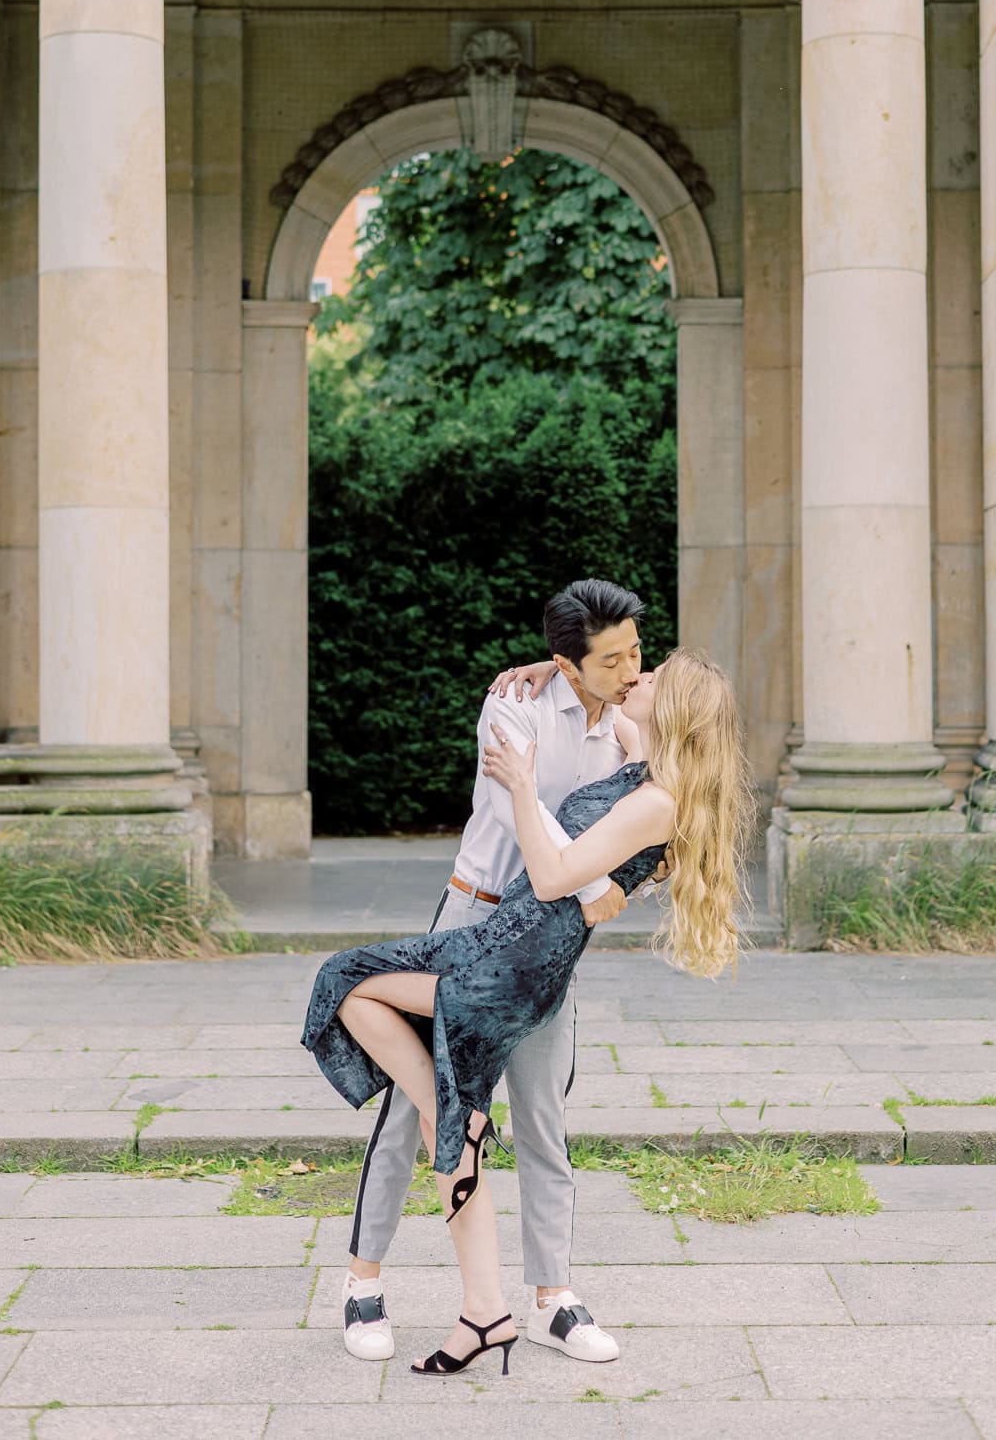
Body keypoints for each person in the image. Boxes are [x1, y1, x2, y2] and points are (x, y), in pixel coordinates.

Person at [301, 643, 751, 1377]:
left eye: (651, 672)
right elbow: (602, 688)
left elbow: (549, 875)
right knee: (389, 1052)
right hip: (494, 942)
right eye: (629, 660)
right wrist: (556, 666)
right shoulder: (644, 757)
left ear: (675, 708)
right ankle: (437, 1292)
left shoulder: (655, 799)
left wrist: (520, 784)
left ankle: (530, 1295)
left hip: (509, 963)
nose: (637, 674)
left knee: (351, 987)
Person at [334, 578, 645, 1366]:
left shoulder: (630, 718)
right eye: (612, 659)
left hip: (549, 938)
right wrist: (599, 889)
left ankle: (552, 1298)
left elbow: (684, 741)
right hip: (473, 917)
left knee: (543, 1112)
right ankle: (362, 1280)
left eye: (636, 651)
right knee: (413, 1109)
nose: (632, 669)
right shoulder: (514, 705)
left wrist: (612, 886)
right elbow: (521, 815)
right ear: (565, 663)